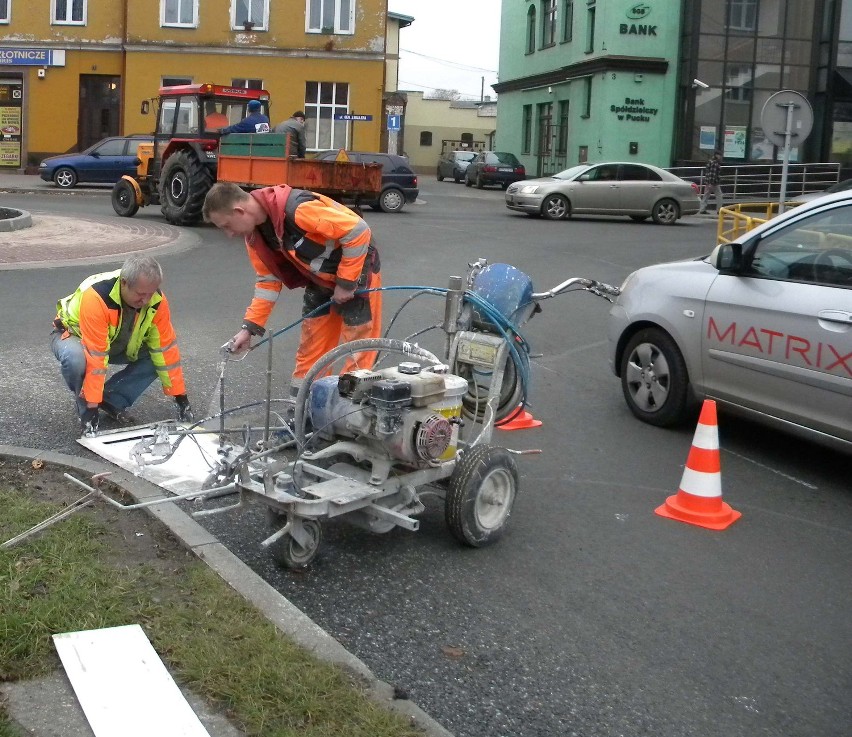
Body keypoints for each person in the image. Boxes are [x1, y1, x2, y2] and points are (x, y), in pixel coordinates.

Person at [202, 182, 382, 398]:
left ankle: (346, 418)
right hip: (320, 281)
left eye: (227, 226)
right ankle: (303, 415)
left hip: (357, 276)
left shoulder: (297, 209)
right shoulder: (255, 238)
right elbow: (267, 283)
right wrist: (248, 329)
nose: (229, 234)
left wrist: (346, 283)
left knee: (358, 352)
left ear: (239, 211)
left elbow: (357, 231)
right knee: (311, 351)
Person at [51, 255, 192, 435]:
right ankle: (85, 406)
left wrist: (181, 398)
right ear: (124, 283)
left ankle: (111, 398)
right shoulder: (96, 296)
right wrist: (91, 409)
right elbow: (96, 355)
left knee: (156, 357)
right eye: (141, 295)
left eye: (151, 293)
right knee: (76, 359)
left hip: (116, 341)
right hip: (74, 337)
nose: (146, 301)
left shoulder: (157, 300)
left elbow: (165, 350)